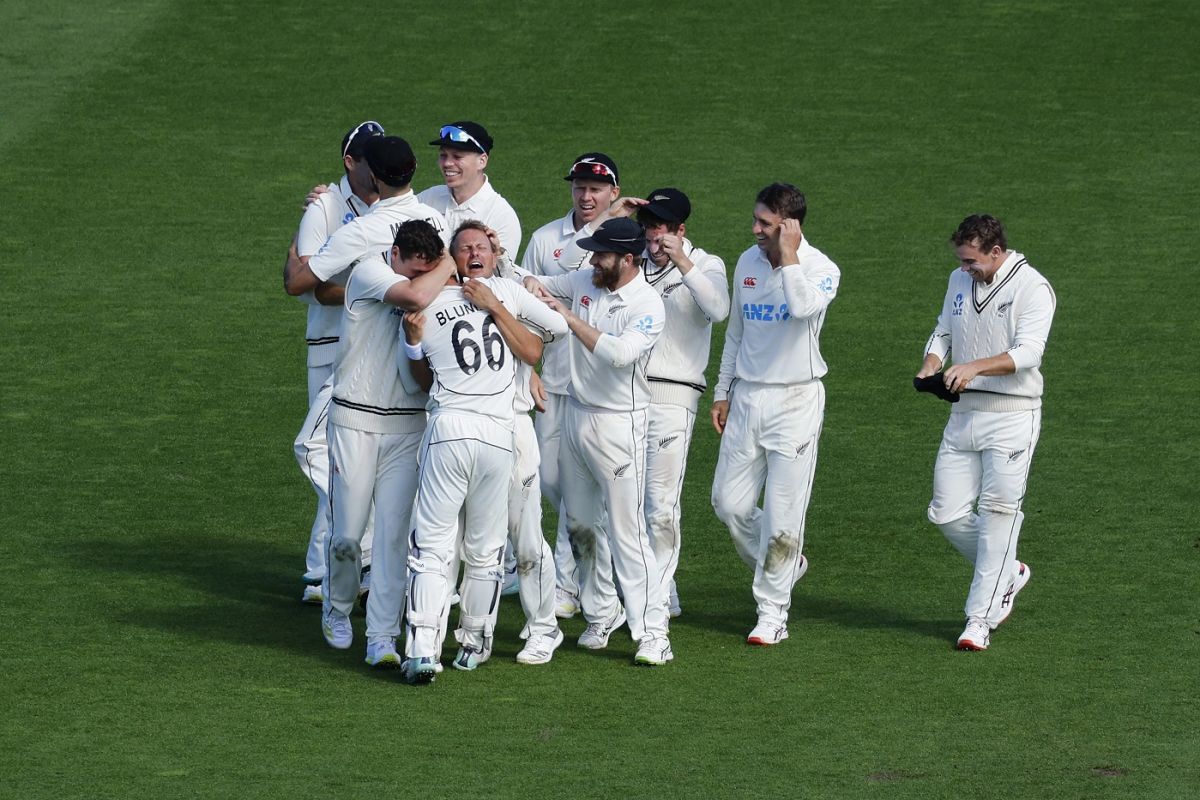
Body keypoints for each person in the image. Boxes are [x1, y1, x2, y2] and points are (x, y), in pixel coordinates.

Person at [399, 222, 567, 684]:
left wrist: (411, 343)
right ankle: (474, 644)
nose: (475, 252)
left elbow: (420, 383)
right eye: (465, 248)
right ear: (453, 257)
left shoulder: (424, 302)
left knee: (434, 545)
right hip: (499, 434)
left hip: (452, 428)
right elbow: (542, 341)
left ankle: (422, 648)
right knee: (486, 549)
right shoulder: (507, 294)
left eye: (482, 246)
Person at [523, 217, 673, 666]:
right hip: (576, 419)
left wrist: (568, 316)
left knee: (628, 532)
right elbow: (537, 281)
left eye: (601, 254)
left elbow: (619, 354)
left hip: (619, 427)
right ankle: (602, 612)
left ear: (628, 260)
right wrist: (513, 269)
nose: (592, 260)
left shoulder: (647, 305)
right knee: (581, 524)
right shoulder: (588, 279)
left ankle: (653, 632)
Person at [318, 220, 456, 670]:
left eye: (426, 271)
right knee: (347, 537)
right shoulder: (368, 272)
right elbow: (415, 297)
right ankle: (337, 608)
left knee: (395, 539)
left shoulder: (423, 275)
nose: (419, 281)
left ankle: (381, 636)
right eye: (412, 270)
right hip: (354, 419)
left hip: (408, 425)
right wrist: (449, 264)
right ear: (394, 254)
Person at [915, 214, 1055, 651]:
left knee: (998, 515)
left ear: (996, 252)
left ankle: (980, 619)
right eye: (961, 260)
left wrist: (973, 367)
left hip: (1012, 416)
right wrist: (932, 363)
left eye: (972, 261)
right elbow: (943, 329)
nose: (964, 269)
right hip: (964, 415)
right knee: (947, 511)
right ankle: (1007, 572)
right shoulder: (959, 281)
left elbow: (1029, 353)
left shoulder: (1033, 288)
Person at [710, 182, 840, 646]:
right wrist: (723, 391)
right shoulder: (747, 261)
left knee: (785, 514)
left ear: (789, 225)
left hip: (796, 401)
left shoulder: (822, 268)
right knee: (728, 503)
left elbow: (803, 307)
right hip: (747, 398)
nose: (755, 229)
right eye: (756, 219)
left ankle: (772, 612)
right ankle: (787, 566)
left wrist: (788, 257)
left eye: (765, 223)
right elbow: (736, 334)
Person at [520, 153, 622, 618]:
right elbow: (523, 298)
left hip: (600, 389)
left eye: (596, 189)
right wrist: (529, 369)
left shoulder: (625, 241)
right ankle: (596, 574)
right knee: (553, 481)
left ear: (613, 193)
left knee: (587, 489)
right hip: (554, 380)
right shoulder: (546, 238)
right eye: (579, 187)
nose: (586, 195)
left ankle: (570, 585)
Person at [289, 120, 382, 604]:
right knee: (331, 456)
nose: (377, 164)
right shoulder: (324, 207)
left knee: (352, 458)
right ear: (351, 163)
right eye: (369, 157)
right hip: (328, 347)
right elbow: (309, 283)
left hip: (374, 352)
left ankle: (323, 570)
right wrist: (378, 294)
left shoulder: (391, 204)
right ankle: (343, 562)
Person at [417, 121, 522, 255]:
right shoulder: (427, 199)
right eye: (443, 155)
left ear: (482, 161)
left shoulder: (501, 217)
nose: (447, 163)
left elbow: (500, 273)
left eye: (457, 156)